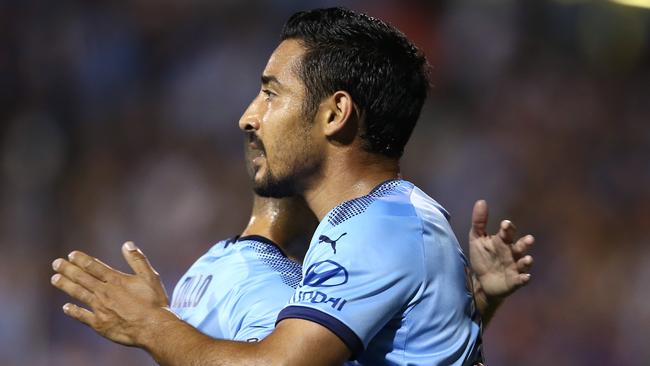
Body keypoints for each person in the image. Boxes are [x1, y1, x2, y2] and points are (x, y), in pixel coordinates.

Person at [50, 7, 534, 365]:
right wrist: (470, 314)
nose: (248, 116)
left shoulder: (383, 228)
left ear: (334, 113)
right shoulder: (377, 223)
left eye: (270, 93)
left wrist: (150, 324)